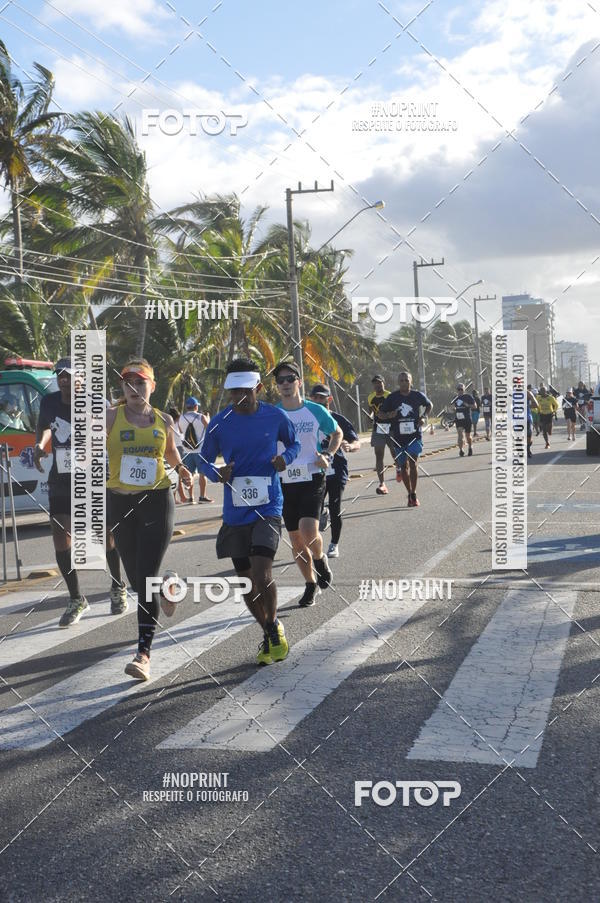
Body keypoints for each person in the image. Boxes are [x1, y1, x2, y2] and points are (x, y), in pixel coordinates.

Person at [199, 358, 300, 665]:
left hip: (268, 506)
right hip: (235, 511)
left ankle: (272, 633)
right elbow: (201, 461)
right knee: (245, 582)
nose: (238, 397)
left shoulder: (274, 416)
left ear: (257, 387)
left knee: (261, 572)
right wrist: (218, 473)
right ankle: (270, 629)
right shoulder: (219, 421)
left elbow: (293, 444)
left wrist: (286, 459)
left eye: (244, 391)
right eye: (232, 392)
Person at [106, 358, 192, 680]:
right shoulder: (110, 417)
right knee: (138, 579)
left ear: (152, 386)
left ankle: (143, 653)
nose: (133, 388)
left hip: (157, 500)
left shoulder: (164, 419)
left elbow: (170, 454)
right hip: (120, 504)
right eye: (128, 383)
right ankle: (169, 584)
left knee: (143, 581)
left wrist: (182, 469)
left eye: (140, 382)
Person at [33, 358, 128, 627]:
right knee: (60, 536)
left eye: (69, 375)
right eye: (60, 375)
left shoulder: (97, 402)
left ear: (81, 379)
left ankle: (117, 587)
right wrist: (40, 445)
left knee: (105, 535)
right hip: (61, 477)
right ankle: (76, 598)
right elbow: (44, 428)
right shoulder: (49, 402)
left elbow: (112, 433)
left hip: (93, 475)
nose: (64, 379)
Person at [274, 361, 343, 607]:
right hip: (284, 480)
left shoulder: (315, 410)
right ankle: (310, 584)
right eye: (280, 380)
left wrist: (328, 455)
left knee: (308, 531)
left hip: (312, 476)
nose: (284, 384)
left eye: (289, 379)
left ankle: (320, 558)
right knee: (295, 540)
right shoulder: (273, 414)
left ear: (299, 382)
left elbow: (337, 433)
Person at [309, 383, 360, 557]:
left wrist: (351, 446)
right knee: (312, 509)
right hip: (315, 471)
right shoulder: (306, 420)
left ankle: (333, 544)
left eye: (322, 397)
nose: (318, 401)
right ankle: (321, 519)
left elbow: (356, 441)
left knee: (336, 507)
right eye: (315, 397)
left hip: (336, 470)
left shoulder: (338, 419)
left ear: (329, 399)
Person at [378, 371, 432, 507]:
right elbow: (380, 414)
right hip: (398, 437)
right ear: (398, 382)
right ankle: (410, 493)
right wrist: (391, 414)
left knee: (413, 462)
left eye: (406, 380)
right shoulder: (392, 397)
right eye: (401, 380)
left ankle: (413, 493)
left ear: (410, 381)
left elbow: (429, 405)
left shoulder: (417, 395)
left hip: (415, 435)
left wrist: (424, 417)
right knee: (403, 466)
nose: (403, 383)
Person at [177, 397, 213, 503]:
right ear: (196, 406)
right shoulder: (201, 417)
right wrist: (208, 419)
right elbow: (210, 428)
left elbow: (181, 433)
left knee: (189, 474)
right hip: (200, 450)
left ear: (187, 407)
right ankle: (202, 496)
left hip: (187, 451)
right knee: (202, 474)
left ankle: (191, 497)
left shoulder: (181, 418)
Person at [368, 375, 394, 495]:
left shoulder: (390, 396)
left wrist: (387, 416)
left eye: (379, 383)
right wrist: (370, 417)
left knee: (395, 452)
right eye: (375, 383)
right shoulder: (370, 397)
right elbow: (372, 411)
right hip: (378, 429)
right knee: (379, 456)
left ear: (384, 383)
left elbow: (396, 411)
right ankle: (382, 484)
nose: (377, 385)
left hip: (391, 428)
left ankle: (399, 468)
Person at [168, 406, 189, 504]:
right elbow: (182, 435)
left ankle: (176, 497)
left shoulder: (167, 424)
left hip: (170, 449)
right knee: (179, 474)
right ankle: (182, 497)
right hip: (178, 449)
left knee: (174, 474)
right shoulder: (177, 423)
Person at [452, 383, 477, 457]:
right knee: (460, 434)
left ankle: (470, 447)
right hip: (458, 419)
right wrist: (453, 409)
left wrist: (468, 405)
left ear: (464, 389)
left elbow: (475, 406)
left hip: (467, 418)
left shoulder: (468, 396)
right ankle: (461, 450)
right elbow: (453, 407)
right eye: (458, 389)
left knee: (468, 436)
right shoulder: (455, 398)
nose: (460, 391)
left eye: (461, 389)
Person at [526, 387, 538, 458]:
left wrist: (527, 406)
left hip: (527, 418)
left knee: (529, 438)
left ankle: (527, 448)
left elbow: (536, 405)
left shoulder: (528, 393)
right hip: (516, 419)